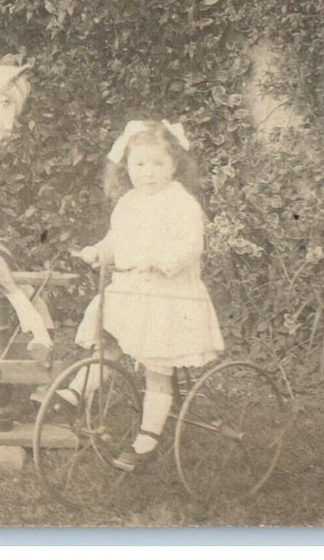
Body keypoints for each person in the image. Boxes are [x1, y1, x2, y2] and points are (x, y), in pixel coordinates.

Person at [66, 120, 225, 471]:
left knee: (157, 369)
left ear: (174, 166)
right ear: (127, 167)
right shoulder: (128, 203)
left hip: (170, 298)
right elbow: (115, 240)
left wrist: (161, 261)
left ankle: (148, 439)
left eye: (158, 165)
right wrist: (98, 251)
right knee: (106, 342)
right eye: (140, 165)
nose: (149, 173)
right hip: (133, 294)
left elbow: (190, 246)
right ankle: (77, 392)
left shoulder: (181, 203)